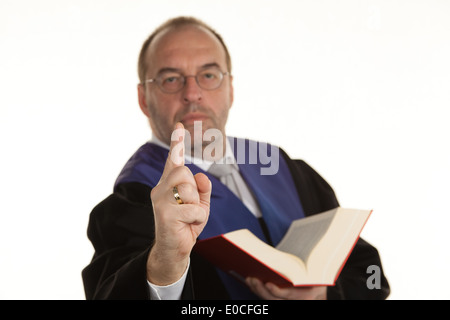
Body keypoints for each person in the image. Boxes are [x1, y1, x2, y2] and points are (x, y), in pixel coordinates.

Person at [82, 16, 390, 300]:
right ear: (143, 99)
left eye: (209, 74)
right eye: (171, 79)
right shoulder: (134, 199)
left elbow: (372, 275)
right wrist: (164, 264)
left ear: (230, 88)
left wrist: (325, 296)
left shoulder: (283, 169)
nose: (193, 92)